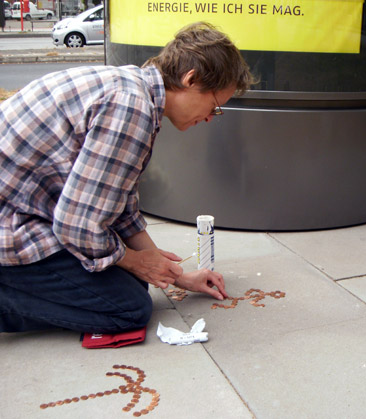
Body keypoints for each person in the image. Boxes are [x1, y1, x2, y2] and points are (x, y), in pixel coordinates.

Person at [0, 22, 253, 334]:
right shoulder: (131, 109)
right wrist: (135, 261)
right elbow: (76, 226)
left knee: (131, 282)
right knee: (129, 309)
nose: (209, 119)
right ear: (191, 79)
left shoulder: (131, 88)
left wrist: (179, 277)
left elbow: (119, 206)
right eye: (214, 108)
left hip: (24, 211)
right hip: (11, 228)